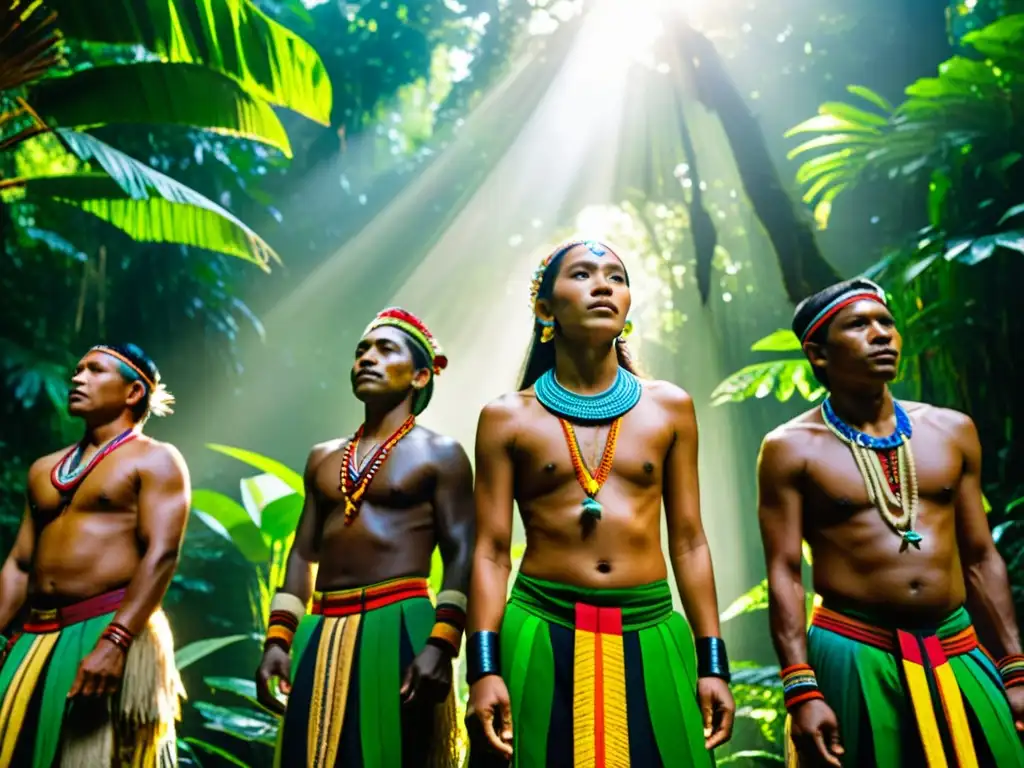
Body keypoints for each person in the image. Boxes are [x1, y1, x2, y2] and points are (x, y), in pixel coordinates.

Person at [466, 239, 734, 767]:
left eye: (616, 276)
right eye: (583, 274)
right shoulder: (506, 418)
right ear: (545, 308)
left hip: (651, 628)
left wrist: (713, 664)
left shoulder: (669, 407)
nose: (604, 285)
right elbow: (492, 551)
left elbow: (689, 540)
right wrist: (483, 668)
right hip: (541, 625)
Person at [758, 277, 1024, 768]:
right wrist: (801, 688)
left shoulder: (951, 430)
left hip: (957, 644)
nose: (881, 334)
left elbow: (981, 556)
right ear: (818, 354)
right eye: (859, 325)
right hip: (855, 650)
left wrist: (1014, 669)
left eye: (887, 322)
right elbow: (785, 572)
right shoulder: (790, 448)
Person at [255, 307, 474, 768]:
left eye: (384, 349)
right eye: (361, 351)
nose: (367, 359)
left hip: (401, 623)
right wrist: (278, 641)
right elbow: (302, 554)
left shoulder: (443, 454)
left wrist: (441, 644)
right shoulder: (323, 457)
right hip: (322, 627)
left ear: (419, 376)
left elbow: (462, 552)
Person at [0, 343, 188, 766]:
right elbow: (19, 563)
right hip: (35, 633)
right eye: (78, 370)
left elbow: (162, 553)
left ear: (133, 392)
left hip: (107, 625)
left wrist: (116, 643)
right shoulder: (43, 468)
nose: (77, 378)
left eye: (95, 371)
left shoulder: (156, 459)